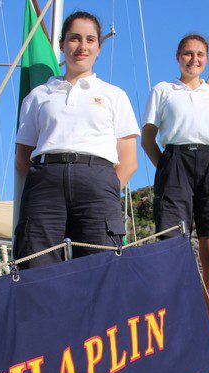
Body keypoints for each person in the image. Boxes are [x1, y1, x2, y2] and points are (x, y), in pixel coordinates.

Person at [14, 11, 139, 269]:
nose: (82, 46)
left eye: (90, 40)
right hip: (45, 186)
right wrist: (46, 179)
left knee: (101, 267)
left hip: (98, 185)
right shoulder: (38, 96)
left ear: (98, 48)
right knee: (35, 264)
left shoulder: (114, 95)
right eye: (74, 38)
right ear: (62, 44)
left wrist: (104, 188)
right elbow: (22, 156)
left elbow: (128, 161)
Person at [141, 33, 209, 351]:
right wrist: (166, 170)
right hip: (175, 162)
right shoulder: (163, 90)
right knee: (172, 249)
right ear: (178, 56)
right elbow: (148, 139)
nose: (194, 59)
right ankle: (173, 325)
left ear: (207, 59)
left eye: (200, 54)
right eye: (188, 53)